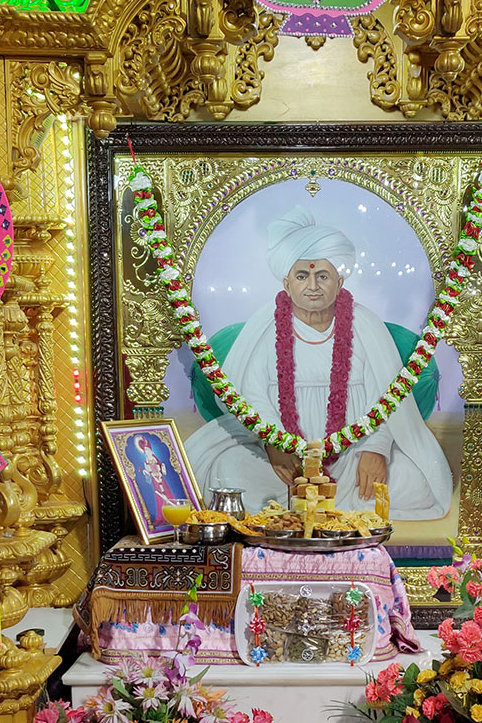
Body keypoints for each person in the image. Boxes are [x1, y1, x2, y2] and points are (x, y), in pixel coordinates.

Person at [184, 206, 453, 519]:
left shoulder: (365, 325)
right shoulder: (266, 327)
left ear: (339, 282)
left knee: (415, 482)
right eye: (302, 276)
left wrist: (376, 449)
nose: (312, 285)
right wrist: (273, 445)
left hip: (353, 451)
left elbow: (386, 397)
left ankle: (322, 502)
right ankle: (319, 502)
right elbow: (252, 396)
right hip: (282, 457)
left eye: (322, 276)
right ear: (287, 284)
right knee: (227, 470)